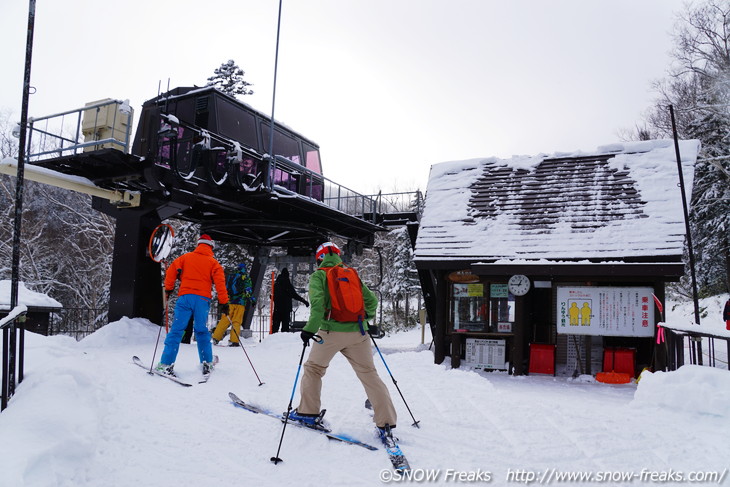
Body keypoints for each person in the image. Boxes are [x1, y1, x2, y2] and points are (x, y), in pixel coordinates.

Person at [289, 241, 397, 439]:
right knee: (369, 374)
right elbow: (372, 301)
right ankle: (386, 422)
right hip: (359, 333)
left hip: (330, 332)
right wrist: (364, 319)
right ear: (338, 255)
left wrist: (308, 330)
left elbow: (318, 307)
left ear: (319, 258)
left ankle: (307, 413)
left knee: (313, 369)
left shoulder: (319, 276)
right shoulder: (352, 274)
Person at [157, 234, 229, 376]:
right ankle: (207, 363)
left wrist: (169, 288)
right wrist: (224, 302)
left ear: (198, 244)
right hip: (202, 300)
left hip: (185, 297)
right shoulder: (213, 263)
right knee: (201, 330)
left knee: (177, 331)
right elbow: (220, 283)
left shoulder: (185, 258)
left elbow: (171, 271)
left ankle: (165, 363)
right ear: (211, 246)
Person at [211, 263, 256, 346]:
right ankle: (234, 341)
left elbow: (225, 288)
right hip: (240, 303)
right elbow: (248, 290)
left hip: (229, 302)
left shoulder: (230, 277)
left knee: (224, 320)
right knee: (236, 322)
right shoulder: (245, 277)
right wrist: (252, 300)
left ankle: (216, 337)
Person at [272, 267, 309, 333]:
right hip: (286, 310)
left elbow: (273, 296)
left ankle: (271, 341)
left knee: (275, 328)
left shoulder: (275, 285)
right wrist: (304, 301)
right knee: (285, 329)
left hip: (277, 309)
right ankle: (283, 342)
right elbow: (294, 295)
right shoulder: (287, 284)